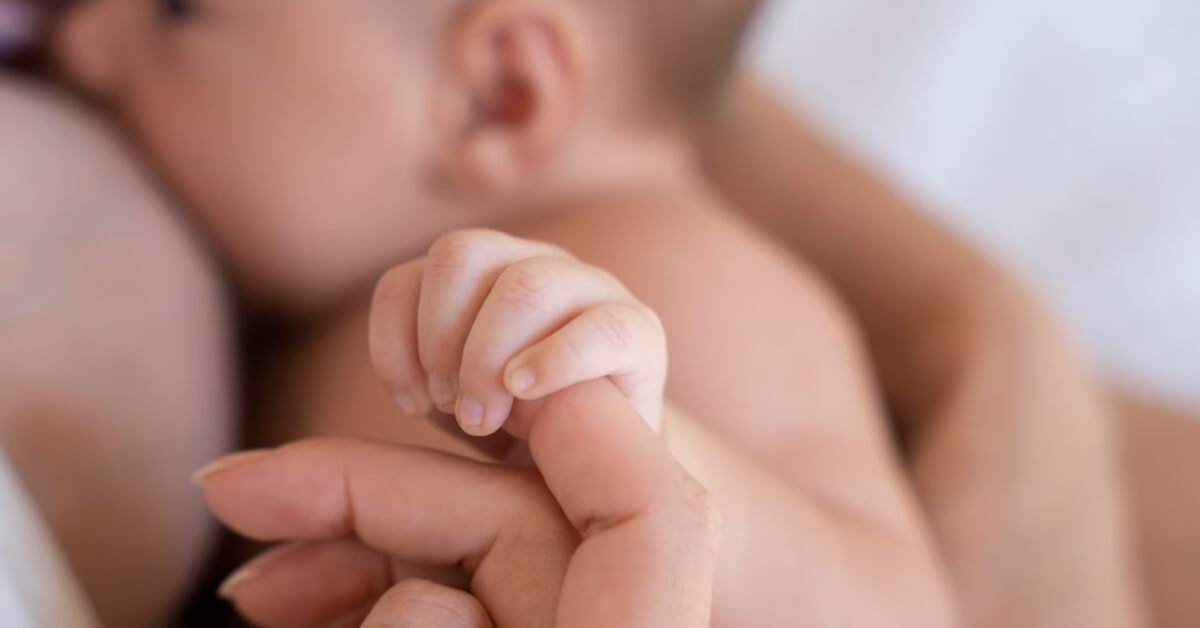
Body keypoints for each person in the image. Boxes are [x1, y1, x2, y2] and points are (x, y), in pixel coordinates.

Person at [53, 0, 956, 625]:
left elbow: (908, 614)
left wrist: (650, 455)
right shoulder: (317, 295)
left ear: (496, 95)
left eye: (177, 8)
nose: (82, 40)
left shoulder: (683, 274)